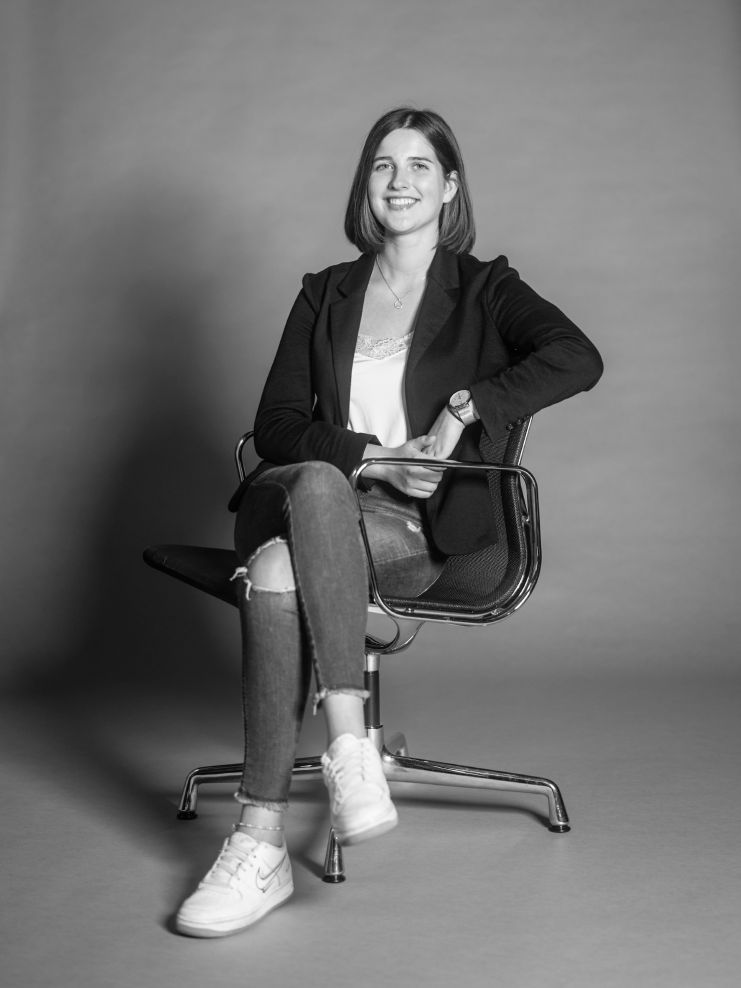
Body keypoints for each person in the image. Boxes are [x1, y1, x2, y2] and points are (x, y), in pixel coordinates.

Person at [175, 107, 603, 938]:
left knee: (275, 571)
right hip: (302, 499)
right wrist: (372, 459)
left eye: (417, 166)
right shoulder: (324, 292)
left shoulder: (485, 290)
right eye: (382, 165)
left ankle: (259, 842)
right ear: (365, 186)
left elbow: (576, 358)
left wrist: (466, 406)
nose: (398, 181)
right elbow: (277, 426)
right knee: (320, 482)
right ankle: (349, 746)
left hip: (410, 534)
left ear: (448, 188)